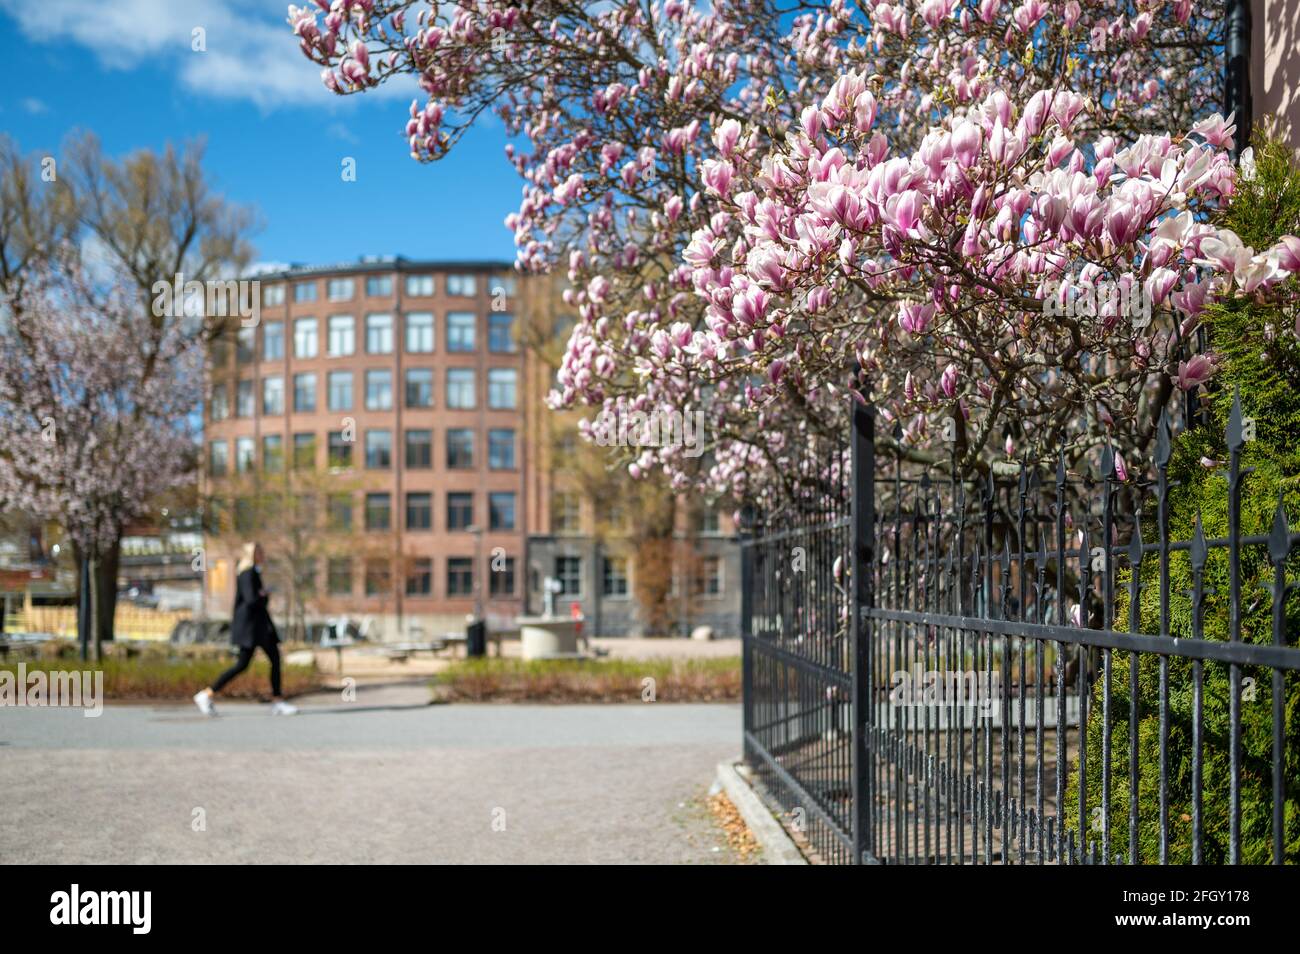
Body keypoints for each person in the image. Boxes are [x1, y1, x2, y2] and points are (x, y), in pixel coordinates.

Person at [193, 542, 297, 716]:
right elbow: (251, 600)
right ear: (252, 555)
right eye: (259, 552)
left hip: (257, 628)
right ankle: (206, 694)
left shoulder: (252, 573)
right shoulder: (248, 574)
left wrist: (263, 594)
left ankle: (277, 701)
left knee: (265, 661)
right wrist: (265, 594)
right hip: (252, 628)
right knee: (246, 664)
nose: (263, 554)